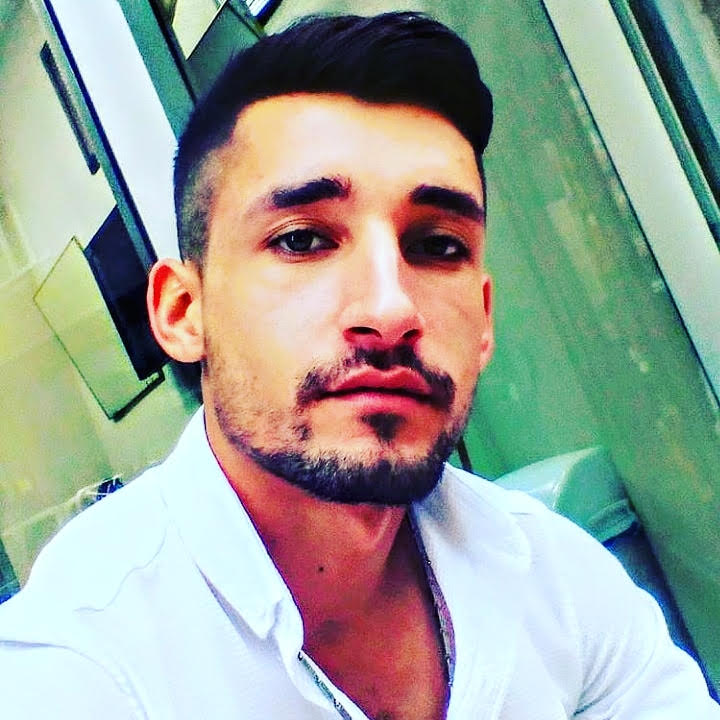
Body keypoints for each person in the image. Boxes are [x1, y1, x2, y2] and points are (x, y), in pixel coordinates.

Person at [0, 11, 717, 719]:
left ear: (484, 321)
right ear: (185, 312)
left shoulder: (558, 579)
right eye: (303, 240)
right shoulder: (77, 668)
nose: (391, 307)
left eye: (437, 247)